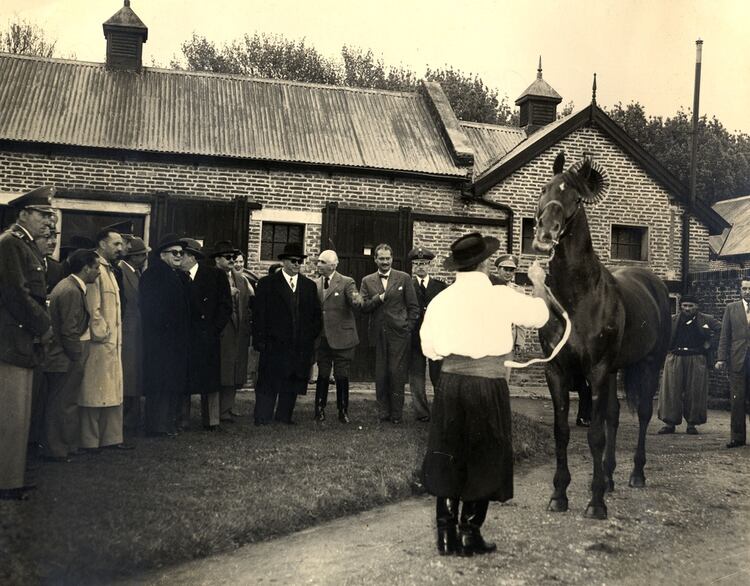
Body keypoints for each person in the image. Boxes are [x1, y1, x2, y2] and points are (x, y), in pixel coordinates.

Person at [420, 232, 549, 556]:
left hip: (450, 384)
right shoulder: (501, 295)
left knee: (448, 452)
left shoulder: (441, 300)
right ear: (485, 263)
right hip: (486, 385)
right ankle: (469, 532)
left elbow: (430, 349)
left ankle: (446, 535)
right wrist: (539, 283)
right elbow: (541, 316)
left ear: (458, 267)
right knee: (485, 454)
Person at [0, 187, 55, 500]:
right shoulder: (11, 244)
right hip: (12, 339)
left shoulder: (26, 246)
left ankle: (12, 477)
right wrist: (43, 325)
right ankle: (6, 482)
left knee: (19, 416)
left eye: (49, 215)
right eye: (42, 214)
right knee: (10, 413)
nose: (48, 221)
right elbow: (16, 294)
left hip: (24, 340)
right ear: (23, 214)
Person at [253, 242, 321, 425]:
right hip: (273, 344)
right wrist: (260, 340)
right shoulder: (268, 284)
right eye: (293, 261)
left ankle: (284, 416)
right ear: (283, 262)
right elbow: (259, 314)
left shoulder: (308, 286)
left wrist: (308, 337)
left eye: (300, 261)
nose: (297, 264)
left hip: (298, 345)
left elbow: (316, 316)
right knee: (269, 381)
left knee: (292, 380)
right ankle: (263, 416)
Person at [42, 250, 100, 462]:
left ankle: (64, 446)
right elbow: (68, 329)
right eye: (96, 268)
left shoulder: (71, 287)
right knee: (62, 404)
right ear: (85, 269)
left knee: (63, 402)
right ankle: (56, 449)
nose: (99, 273)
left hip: (63, 356)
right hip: (63, 358)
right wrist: (77, 356)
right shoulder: (71, 291)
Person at [78, 228, 130, 452]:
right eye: (116, 244)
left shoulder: (112, 270)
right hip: (100, 341)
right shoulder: (93, 267)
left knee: (112, 389)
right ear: (101, 244)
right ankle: (90, 440)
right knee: (94, 390)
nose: (120, 249)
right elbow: (93, 307)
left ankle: (111, 438)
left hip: (113, 341)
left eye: (121, 245)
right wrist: (102, 333)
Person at [359, 243, 419, 423]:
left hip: (399, 334)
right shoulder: (367, 280)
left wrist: (407, 327)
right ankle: (383, 412)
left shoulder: (404, 278)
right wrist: (379, 298)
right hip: (378, 333)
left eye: (388, 258)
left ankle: (396, 414)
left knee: (396, 372)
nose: (385, 262)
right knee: (381, 373)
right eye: (381, 258)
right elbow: (363, 306)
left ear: (392, 259)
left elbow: (413, 307)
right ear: (375, 259)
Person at [140, 234, 191, 437]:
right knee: (160, 383)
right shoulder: (154, 274)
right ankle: (157, 426)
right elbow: (152, 309)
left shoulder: (175, 274)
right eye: (174, 252)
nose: (179, 256)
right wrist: (166, 330)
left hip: (174, 341)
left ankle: (168, 423)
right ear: (162, 255)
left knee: (171, 383)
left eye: (181, 253)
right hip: (161, 341)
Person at [181, 239, 232, 431]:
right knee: (184, 379)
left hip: (207, 336)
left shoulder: (215, 276)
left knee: (210, 380)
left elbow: (225, 306)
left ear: (192, 257)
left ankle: (211, 420)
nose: (178, 257)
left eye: (182, 254)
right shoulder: (177, 276)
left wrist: (213, 329)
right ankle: (182, 418)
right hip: (185, 338)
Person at [657, 295, 721, 435]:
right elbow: (661, 334)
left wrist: (709, 344)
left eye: (691, 306)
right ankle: (669, 423)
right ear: (681, 306)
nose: (687, 308)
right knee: (671, 390)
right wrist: (666, 349)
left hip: (696, 357)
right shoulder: (672, 320)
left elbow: (720, 330)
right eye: (685, 305)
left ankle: (692, 423)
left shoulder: (706, 319)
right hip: (675, 357)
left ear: (697, 307)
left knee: (695, 391)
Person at [313, 249, 362, 423]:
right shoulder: (316, 283)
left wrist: (357, 300)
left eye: (322, 262)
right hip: (323, 338)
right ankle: (319, 409)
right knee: (323, 375)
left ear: (333, 265)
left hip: (343, 338)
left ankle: (343, 411)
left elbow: (354, 299)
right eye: (318, 261)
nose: (318, 264)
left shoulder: (347, 282)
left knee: (342, 375)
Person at [212, 241, 253, 423]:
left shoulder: (241, 278)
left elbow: (247, 304)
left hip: (238, 332)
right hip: (222, 331)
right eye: (227, 257)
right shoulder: (211, 277)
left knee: (234, 371)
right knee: (220, 371)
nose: (231, 261)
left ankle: (227, 409)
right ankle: (215, 413)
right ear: (217, 259)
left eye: (233, 257)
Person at [408, 246, 447, 422]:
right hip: (414, 338)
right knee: (416, 377)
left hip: (435, 339)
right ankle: (422, 413)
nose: (420, 267)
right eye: (417, 264)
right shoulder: (407, 285)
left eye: (424, 263)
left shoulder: (440, 287)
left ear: (430, 265)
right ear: (413, 266)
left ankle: (440, 411)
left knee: (438, 375)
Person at [119, 237, 150, 434]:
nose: (145, 258)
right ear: (135, 257)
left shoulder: (136, 273)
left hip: (136, 332)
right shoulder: (122, 272)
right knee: (128, 375)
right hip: (128, 332)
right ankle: (126, 419)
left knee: (134, 375)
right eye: (142, 255)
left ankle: (132, 418)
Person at [716, 279, 750, 448]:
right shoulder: (732, 308)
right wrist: (721, 358)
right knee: (737, 399)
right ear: (740, 290)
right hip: (738, 360)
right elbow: (724, 335)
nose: (747, 292)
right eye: (744, 288)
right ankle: (737, 437)